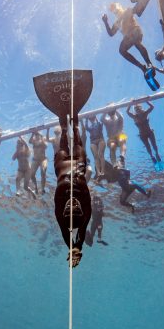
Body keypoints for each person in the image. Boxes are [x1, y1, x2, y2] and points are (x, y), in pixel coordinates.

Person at [53, 115, 91, 268]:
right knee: (79, 145)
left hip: (62, 166)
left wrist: (71, 248)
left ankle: (63, 128)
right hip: (78, 164)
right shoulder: (86, 213)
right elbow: (81, 233)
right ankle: (75, 127)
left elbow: (64, 232)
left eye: (69, 207)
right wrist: (77, 247)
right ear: (81, 211)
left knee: (62, 149)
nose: (72, 203)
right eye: (76, 206)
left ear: (64, 212)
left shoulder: (61, 217)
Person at [102, 2, 153, 73]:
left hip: (136, 31)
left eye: (115, 8)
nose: (115, 11)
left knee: (135, 41)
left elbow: (137, 9)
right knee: (121, 50)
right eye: (113, 10)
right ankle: (142, 67)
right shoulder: (117, 22)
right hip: (128, 37)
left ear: (119, 6)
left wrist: (139, 3)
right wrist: (105, 22)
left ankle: (149, 63)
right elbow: (111, 33)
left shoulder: (127, 11)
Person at [81, 115, 106, 180]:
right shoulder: (91, 127)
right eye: (90, 119)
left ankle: (102, 171)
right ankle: (98, 172)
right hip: (93, 141)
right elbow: (86, 127)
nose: (91, 120)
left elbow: (101, 122)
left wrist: (95, 116)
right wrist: (86, 119)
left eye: (92, 119)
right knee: (95, 156)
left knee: (100, 154)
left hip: (100, 140)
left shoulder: (99, 124)